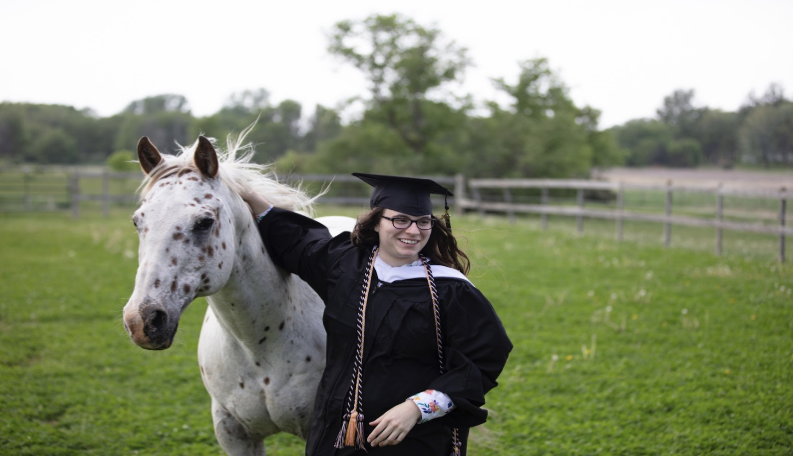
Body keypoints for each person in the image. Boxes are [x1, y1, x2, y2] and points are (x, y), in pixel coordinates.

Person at [242, 173, 512, 455]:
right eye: (400, 220)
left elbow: (483, 360)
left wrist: (417, 408)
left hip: (416, 438)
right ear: (376, 221)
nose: (413, 231)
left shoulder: (450, 290)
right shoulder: (345, 265)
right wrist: (249, 196)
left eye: (423, 222)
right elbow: (299, 239)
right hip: (339, 432)